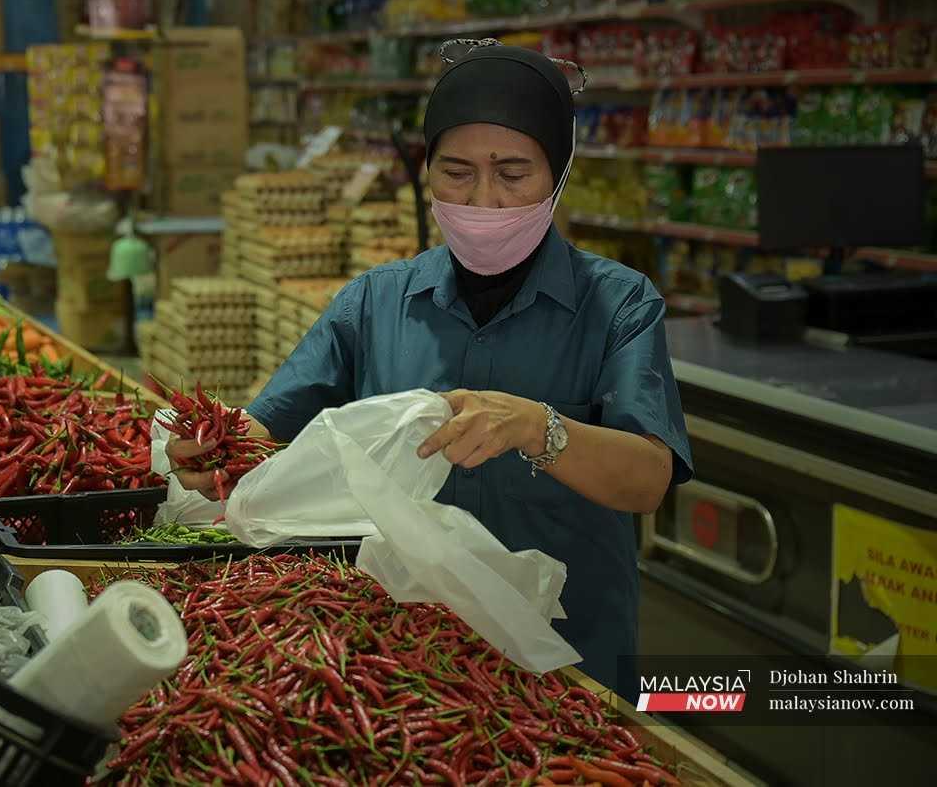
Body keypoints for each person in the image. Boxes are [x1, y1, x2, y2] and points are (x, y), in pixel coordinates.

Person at [167, 43, 693, 701]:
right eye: (457, 171)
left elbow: (648, 477)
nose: (484, 198)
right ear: (426, 174)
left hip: (569, 663)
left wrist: (539, 426)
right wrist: (213, 447)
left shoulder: (618, 304)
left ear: (558, 177)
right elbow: (266, 431)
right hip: (398, 666)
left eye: (512, 173)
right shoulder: (377, 302)